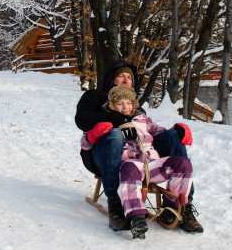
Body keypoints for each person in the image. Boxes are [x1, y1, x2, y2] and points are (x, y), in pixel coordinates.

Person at [75, 59, 202, 233]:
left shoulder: (136, 110)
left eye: (129, 77)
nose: (126, 80)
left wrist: (177, 132)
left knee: (173, 137)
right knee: (115, 134)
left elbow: (149, 131)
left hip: (139, 159)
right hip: (102, 154)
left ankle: (181, 206)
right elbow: (81, 120)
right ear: (111, 78)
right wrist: (110, 119)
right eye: (121, 76)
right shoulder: (95, 96)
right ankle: (115, 205)